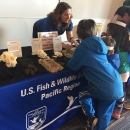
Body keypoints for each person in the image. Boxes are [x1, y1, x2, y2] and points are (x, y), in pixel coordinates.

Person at [67, 19, 123, 130]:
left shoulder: (82, 48)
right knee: (105, 113)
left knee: (83, 93)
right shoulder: (101, 43)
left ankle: (91, 117)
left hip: (103, 88)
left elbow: (72, 66)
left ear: (78, 34)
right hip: (117, 84)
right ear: (96, 33)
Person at [107, 18, 130, 119]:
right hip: (126, 69)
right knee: (122, 92)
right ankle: (118, 111)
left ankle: (114, 111)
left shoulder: (114, 40)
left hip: (118, 70)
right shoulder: (126, 39)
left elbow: (109, 54)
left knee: (116, 91)